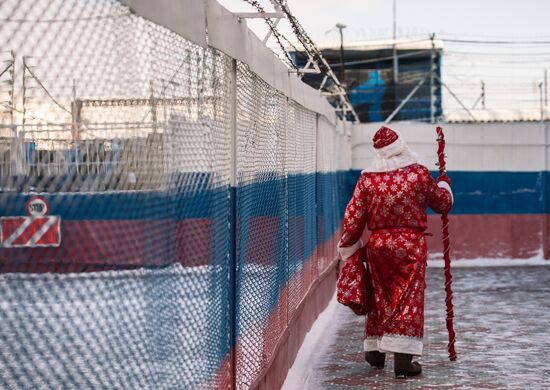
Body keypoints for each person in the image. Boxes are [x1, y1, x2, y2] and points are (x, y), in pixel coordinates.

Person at [337, 126, 453, 378]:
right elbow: (442, 203)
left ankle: (375, 353)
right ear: (401, 145)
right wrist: (444, 183)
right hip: (410, 245)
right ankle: (403, 359)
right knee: (407, 297)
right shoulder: (419, 174)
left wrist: (348, 245)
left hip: (378, 245)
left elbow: (354, 216)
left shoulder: (367, 178)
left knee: (379, 295)